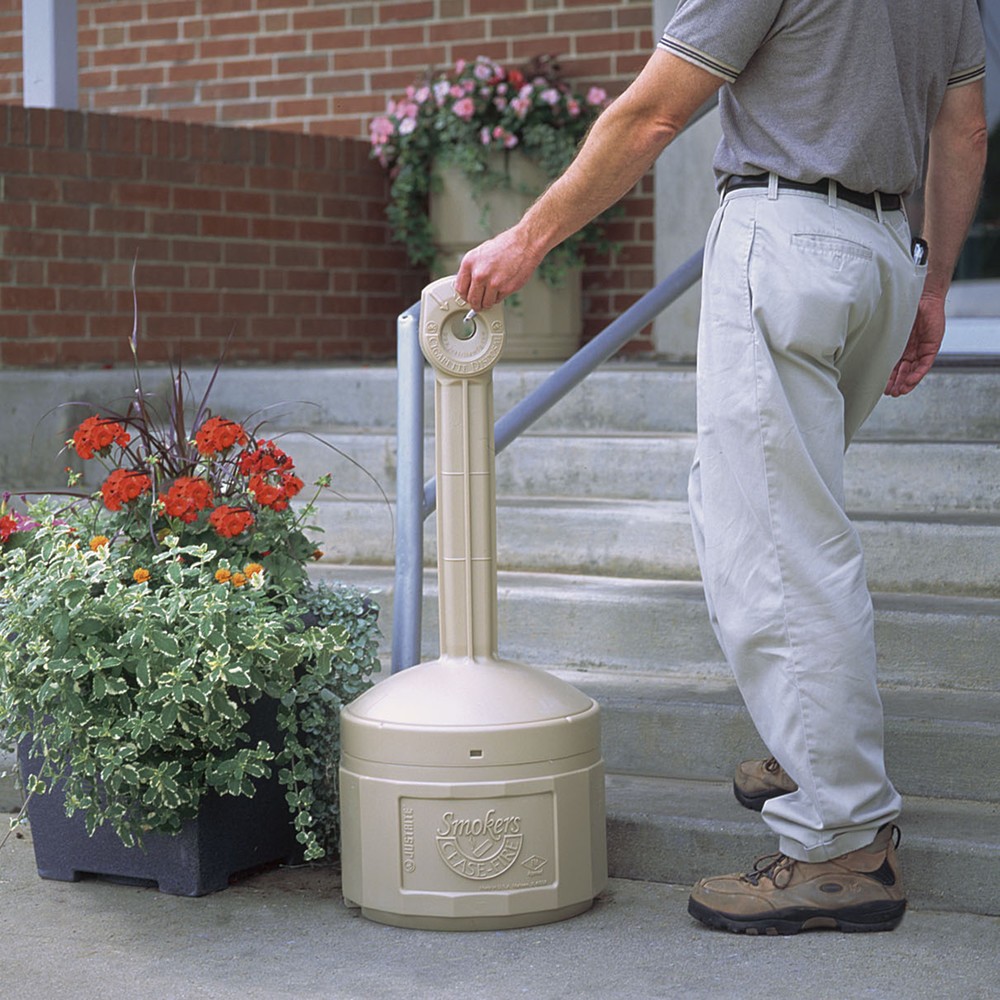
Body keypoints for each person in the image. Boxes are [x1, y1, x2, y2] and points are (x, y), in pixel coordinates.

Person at [456, 0, 987, 935]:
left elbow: (654, 113)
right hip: (877, 257)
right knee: (773, 518)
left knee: (778, 554)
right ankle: (808, 740)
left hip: (787, 244)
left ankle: (843, 846)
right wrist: (935, 282)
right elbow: (964, 126)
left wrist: (525, 239)